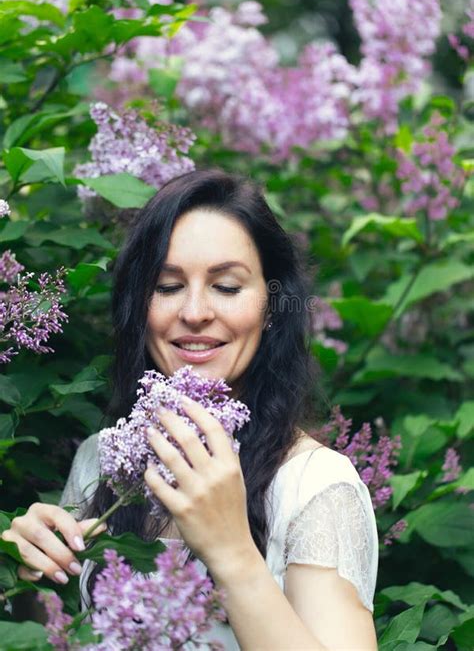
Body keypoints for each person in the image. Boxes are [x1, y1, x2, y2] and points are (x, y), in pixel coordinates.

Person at [3, 169, 378, 649]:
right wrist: (30, 576)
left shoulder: (317, 487)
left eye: (226, 286)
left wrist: (233, 553)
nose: (195, 311)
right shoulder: (100, 461)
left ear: (269, 306)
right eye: (166, 286)